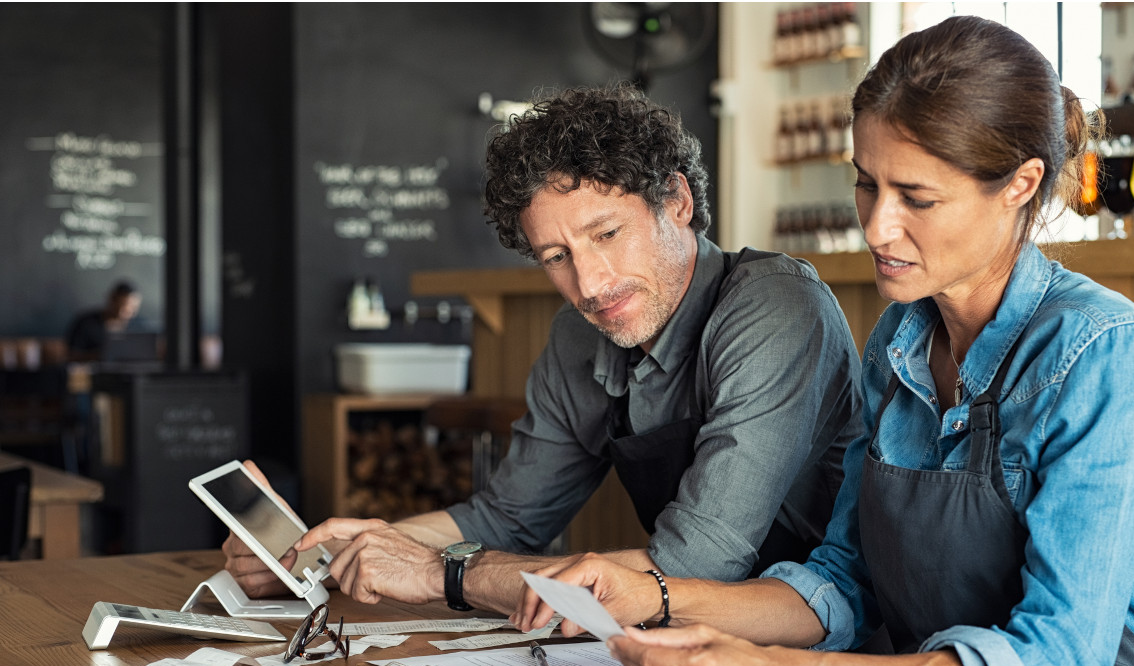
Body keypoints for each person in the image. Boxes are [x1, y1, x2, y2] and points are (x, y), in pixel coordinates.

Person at [513, 16, 1134, 666]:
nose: (875, 225)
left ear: (1020, 186)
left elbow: (1054, 665)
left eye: (916, 197)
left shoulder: (1100, 351)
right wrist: (652, 594)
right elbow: (844, 582)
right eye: (867, 184)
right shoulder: (900, 342)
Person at [223, 84, 864, 615]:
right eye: (556, 257)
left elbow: (694, 565)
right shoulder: (578, 335)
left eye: (607, 233)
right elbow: (507, 516)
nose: (590, 285)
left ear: (676, 201)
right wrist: (328, 552)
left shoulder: (775, 308)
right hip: (690, 647)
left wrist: (443, 575)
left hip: (826, 641)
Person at [64, 280, 143, 361]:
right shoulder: (86, 323)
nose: (128, 311)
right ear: (112, 300)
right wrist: (101, 354)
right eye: (124, 306)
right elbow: (71, 355)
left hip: (131, 372)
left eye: (133, 308)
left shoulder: (140, 326)